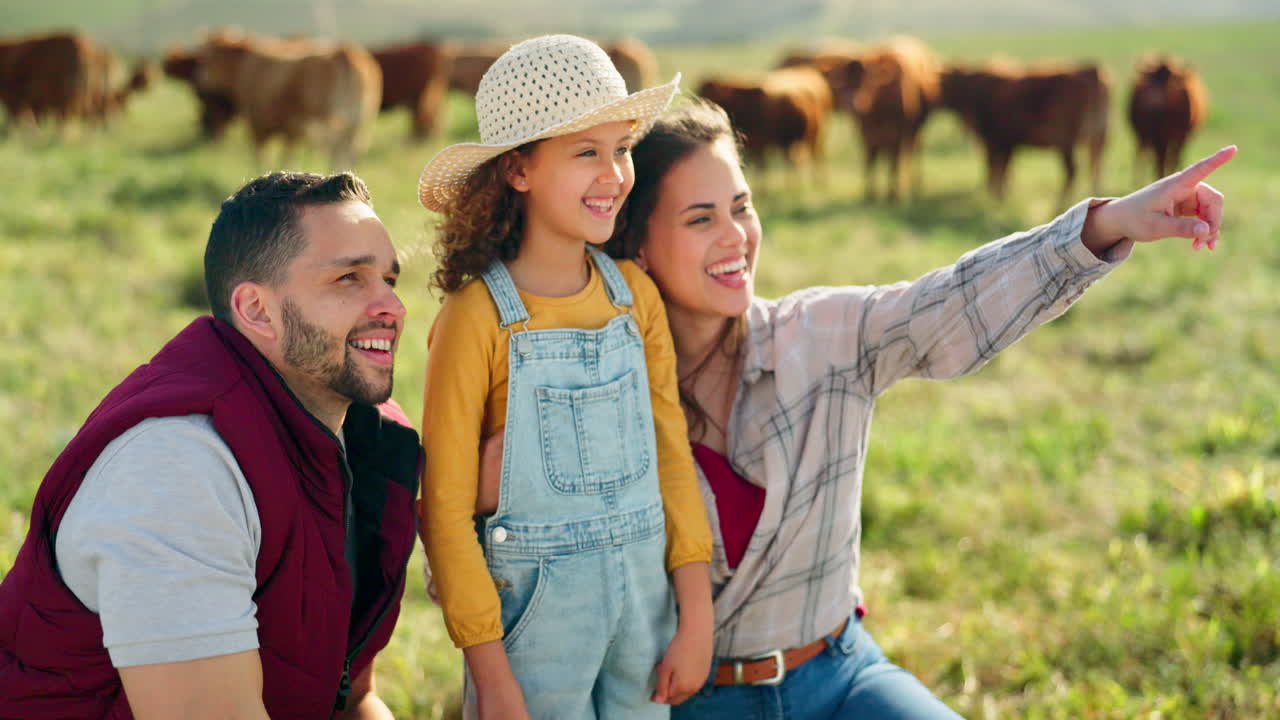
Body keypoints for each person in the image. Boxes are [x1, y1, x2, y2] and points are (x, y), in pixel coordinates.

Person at [477, 99, 1234, 717]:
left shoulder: (822, 335)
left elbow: (954, 302)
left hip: (839, 680)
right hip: (683, 703)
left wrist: (1107, 225)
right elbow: (525, 583)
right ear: (638, 247)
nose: (736, 237)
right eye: (701, 218)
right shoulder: (593, 399)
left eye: (741, 207)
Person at [0, 171, 421, 719]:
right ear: (256, 310)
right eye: (349, 279)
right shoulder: (176, 471)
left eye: (389, 279)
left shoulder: (364, 439)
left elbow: (354, 699)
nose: (393, 306)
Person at [417, 35, 715, 720]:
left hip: (647, 616)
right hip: (531, 634)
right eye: (586, 153)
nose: (613, 174)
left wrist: (696, 614)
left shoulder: (634, 296)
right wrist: (491, 677)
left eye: (622, 148)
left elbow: (672, 457)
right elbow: (446, 514)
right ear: (518, 170)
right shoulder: (475, 318)